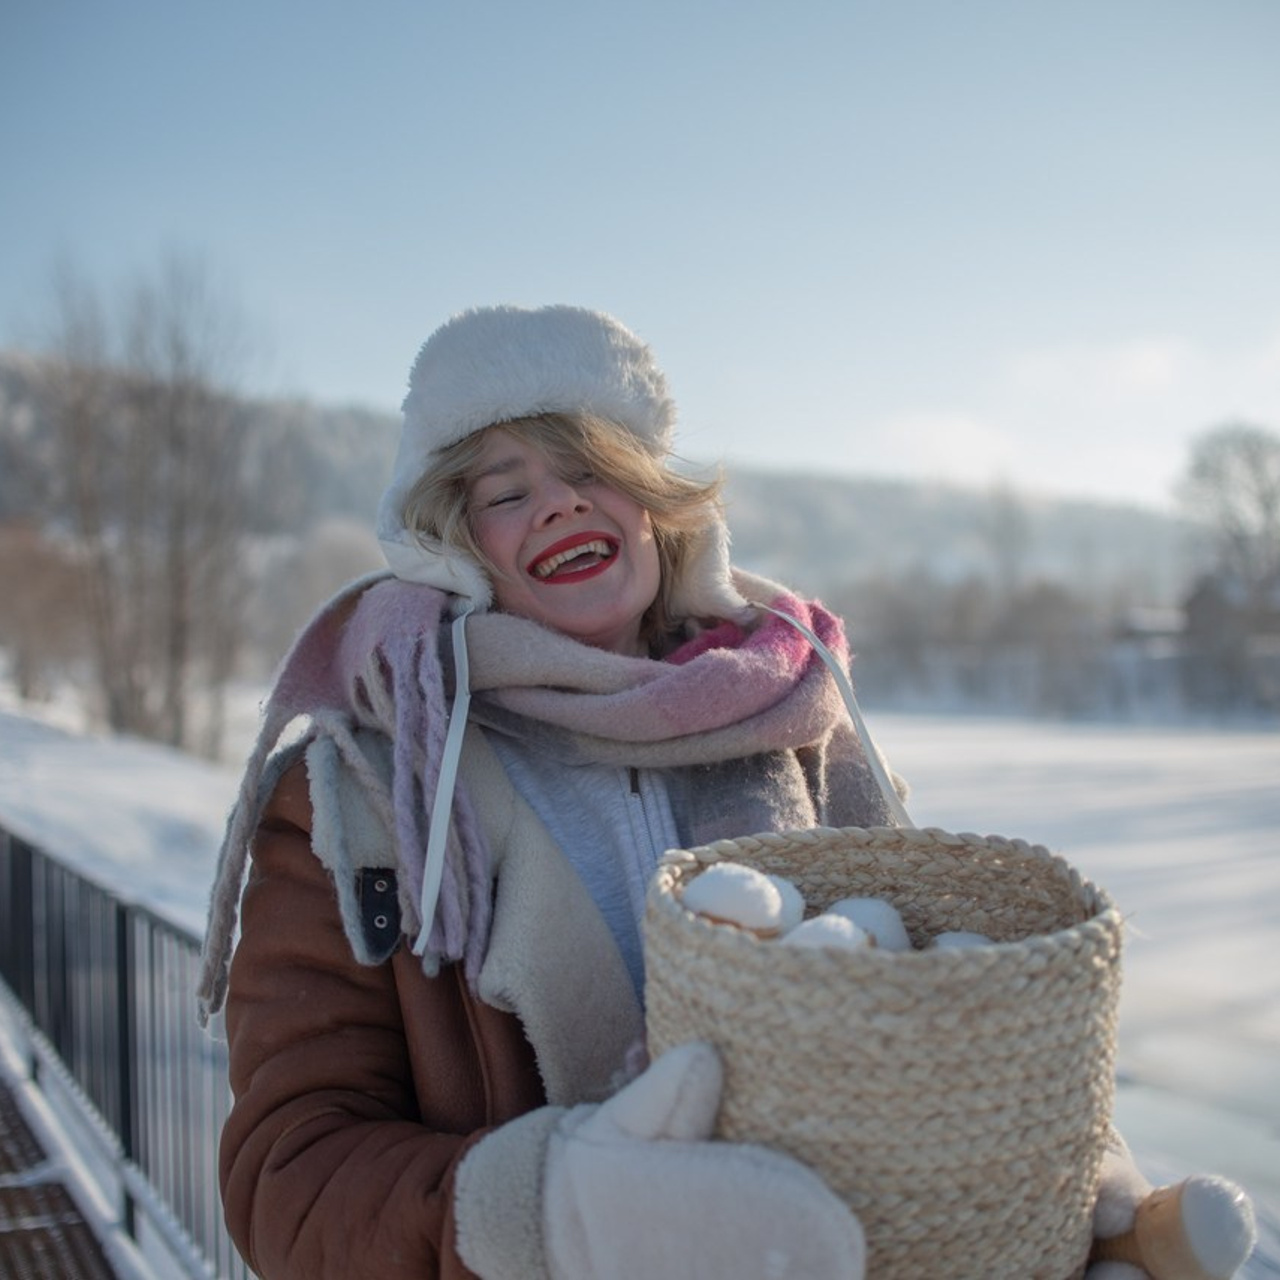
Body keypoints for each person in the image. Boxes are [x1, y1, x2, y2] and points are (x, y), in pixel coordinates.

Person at [197, 305, 1248, 1280]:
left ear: (652, 502)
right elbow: (290, 1175)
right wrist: (560, 1215)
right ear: (459, 548)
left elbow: (933, 1008)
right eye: (505, 492)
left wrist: (1054, 1170)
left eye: (589, 467)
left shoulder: (799, 720)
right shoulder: (371, 785)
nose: (558, 501)